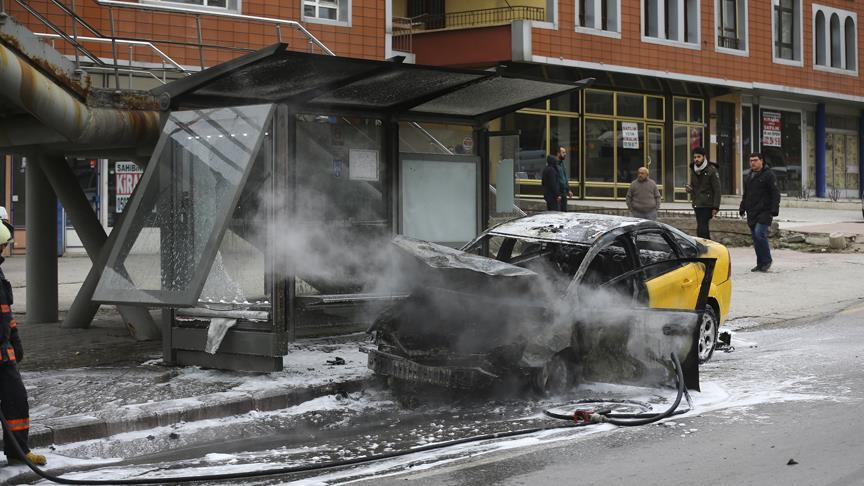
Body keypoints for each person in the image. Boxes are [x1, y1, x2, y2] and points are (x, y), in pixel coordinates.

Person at [0, 222, 46, 466]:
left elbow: (5, 312)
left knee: (16, 400)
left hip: (3, 353)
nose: (3, 250)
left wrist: (15, 340)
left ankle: (18, 451)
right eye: (0, 246)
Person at [739, 152, 781, 272]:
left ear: (761, 161)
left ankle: (767, 260)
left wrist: (774, 209)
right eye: (751, 160)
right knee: (755, 238)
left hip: (765, 211)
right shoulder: (748, 176)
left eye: (755, 160)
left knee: (759, 233)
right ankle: (760, 263)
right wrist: (742, 207)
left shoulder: (769, 175)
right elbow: (746, 194)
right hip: (752, 211)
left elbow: (775, 193)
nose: (753, 163)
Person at [686, 147, 721, 240]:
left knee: (702, 227)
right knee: (701, 227)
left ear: (704, 157)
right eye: (695, 157)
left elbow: (717, 190)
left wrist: (716, 206)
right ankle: (705, 244)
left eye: (699, 157)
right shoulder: (693, 170)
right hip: (697, 203)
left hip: (707, 204)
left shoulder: (711, 170)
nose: (696, 159)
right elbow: (694, 187)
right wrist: (689, 189)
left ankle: (705, 245)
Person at [555, 146, 573, 211]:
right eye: (563, 152)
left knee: (564, 211)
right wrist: (557, 194)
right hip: (559, 193)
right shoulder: (555, 165)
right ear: (558, 153)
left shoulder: (562, 163)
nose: (565, 154)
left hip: (564, 192)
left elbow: (565, 178)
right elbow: (555, 180)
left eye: (565, 152)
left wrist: (568, 190)